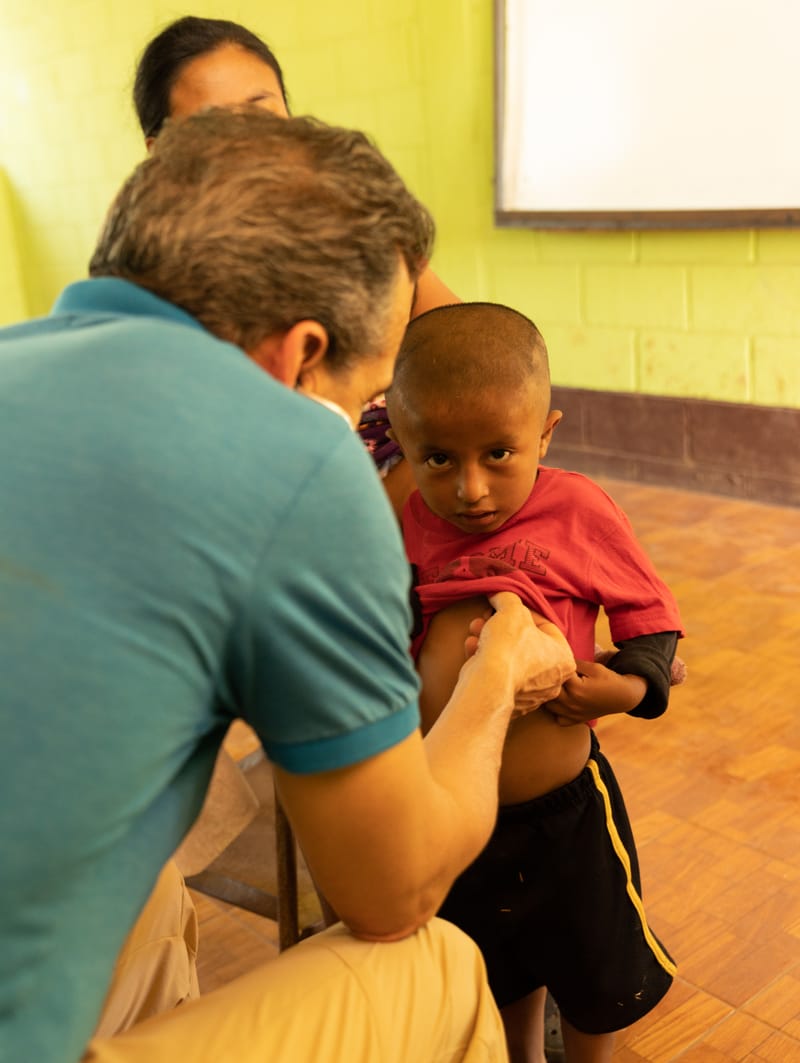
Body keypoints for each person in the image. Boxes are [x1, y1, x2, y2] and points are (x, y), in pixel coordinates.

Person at [0, 110, 577, 1063]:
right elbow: (388, 891)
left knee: (145, 898)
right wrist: (499, 669)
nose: (359, 427)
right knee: (431, 964)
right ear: (300, 355)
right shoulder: (298, 449)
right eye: (369, 398)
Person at [385, 302, 685, 1063]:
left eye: (498, 453)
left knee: (592, 968)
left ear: (545, 433)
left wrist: (621, 690)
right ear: (401, 438)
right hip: (459, 807)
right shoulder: (409, 520)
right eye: (439, 458)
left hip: (567, 815)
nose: (470, 489)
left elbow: (651, 621)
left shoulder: (577, 509)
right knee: (497, 964)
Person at [132, 13, 459, 515]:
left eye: (261, 112)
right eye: (214, 125)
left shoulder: (358, 224)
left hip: (423, 497)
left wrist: (422, 483)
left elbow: (468, 354)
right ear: (160, 154)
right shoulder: (163, 290)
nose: (253, 143)